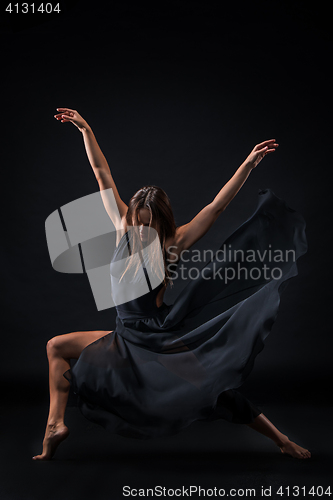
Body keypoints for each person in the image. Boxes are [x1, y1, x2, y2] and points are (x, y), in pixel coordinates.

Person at [32, 108, 311, 460]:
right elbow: (102, 174)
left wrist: (249, 165)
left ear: (161, 223)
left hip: (158, 337)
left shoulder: (174, 243)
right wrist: (85, 129)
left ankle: (281, 440)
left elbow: (217, 206)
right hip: (124, 335)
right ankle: (54, 425)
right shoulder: (123, 225)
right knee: (56, 346)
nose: (141, 230)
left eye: (148, 224)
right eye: (137, 221)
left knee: (213, 389)